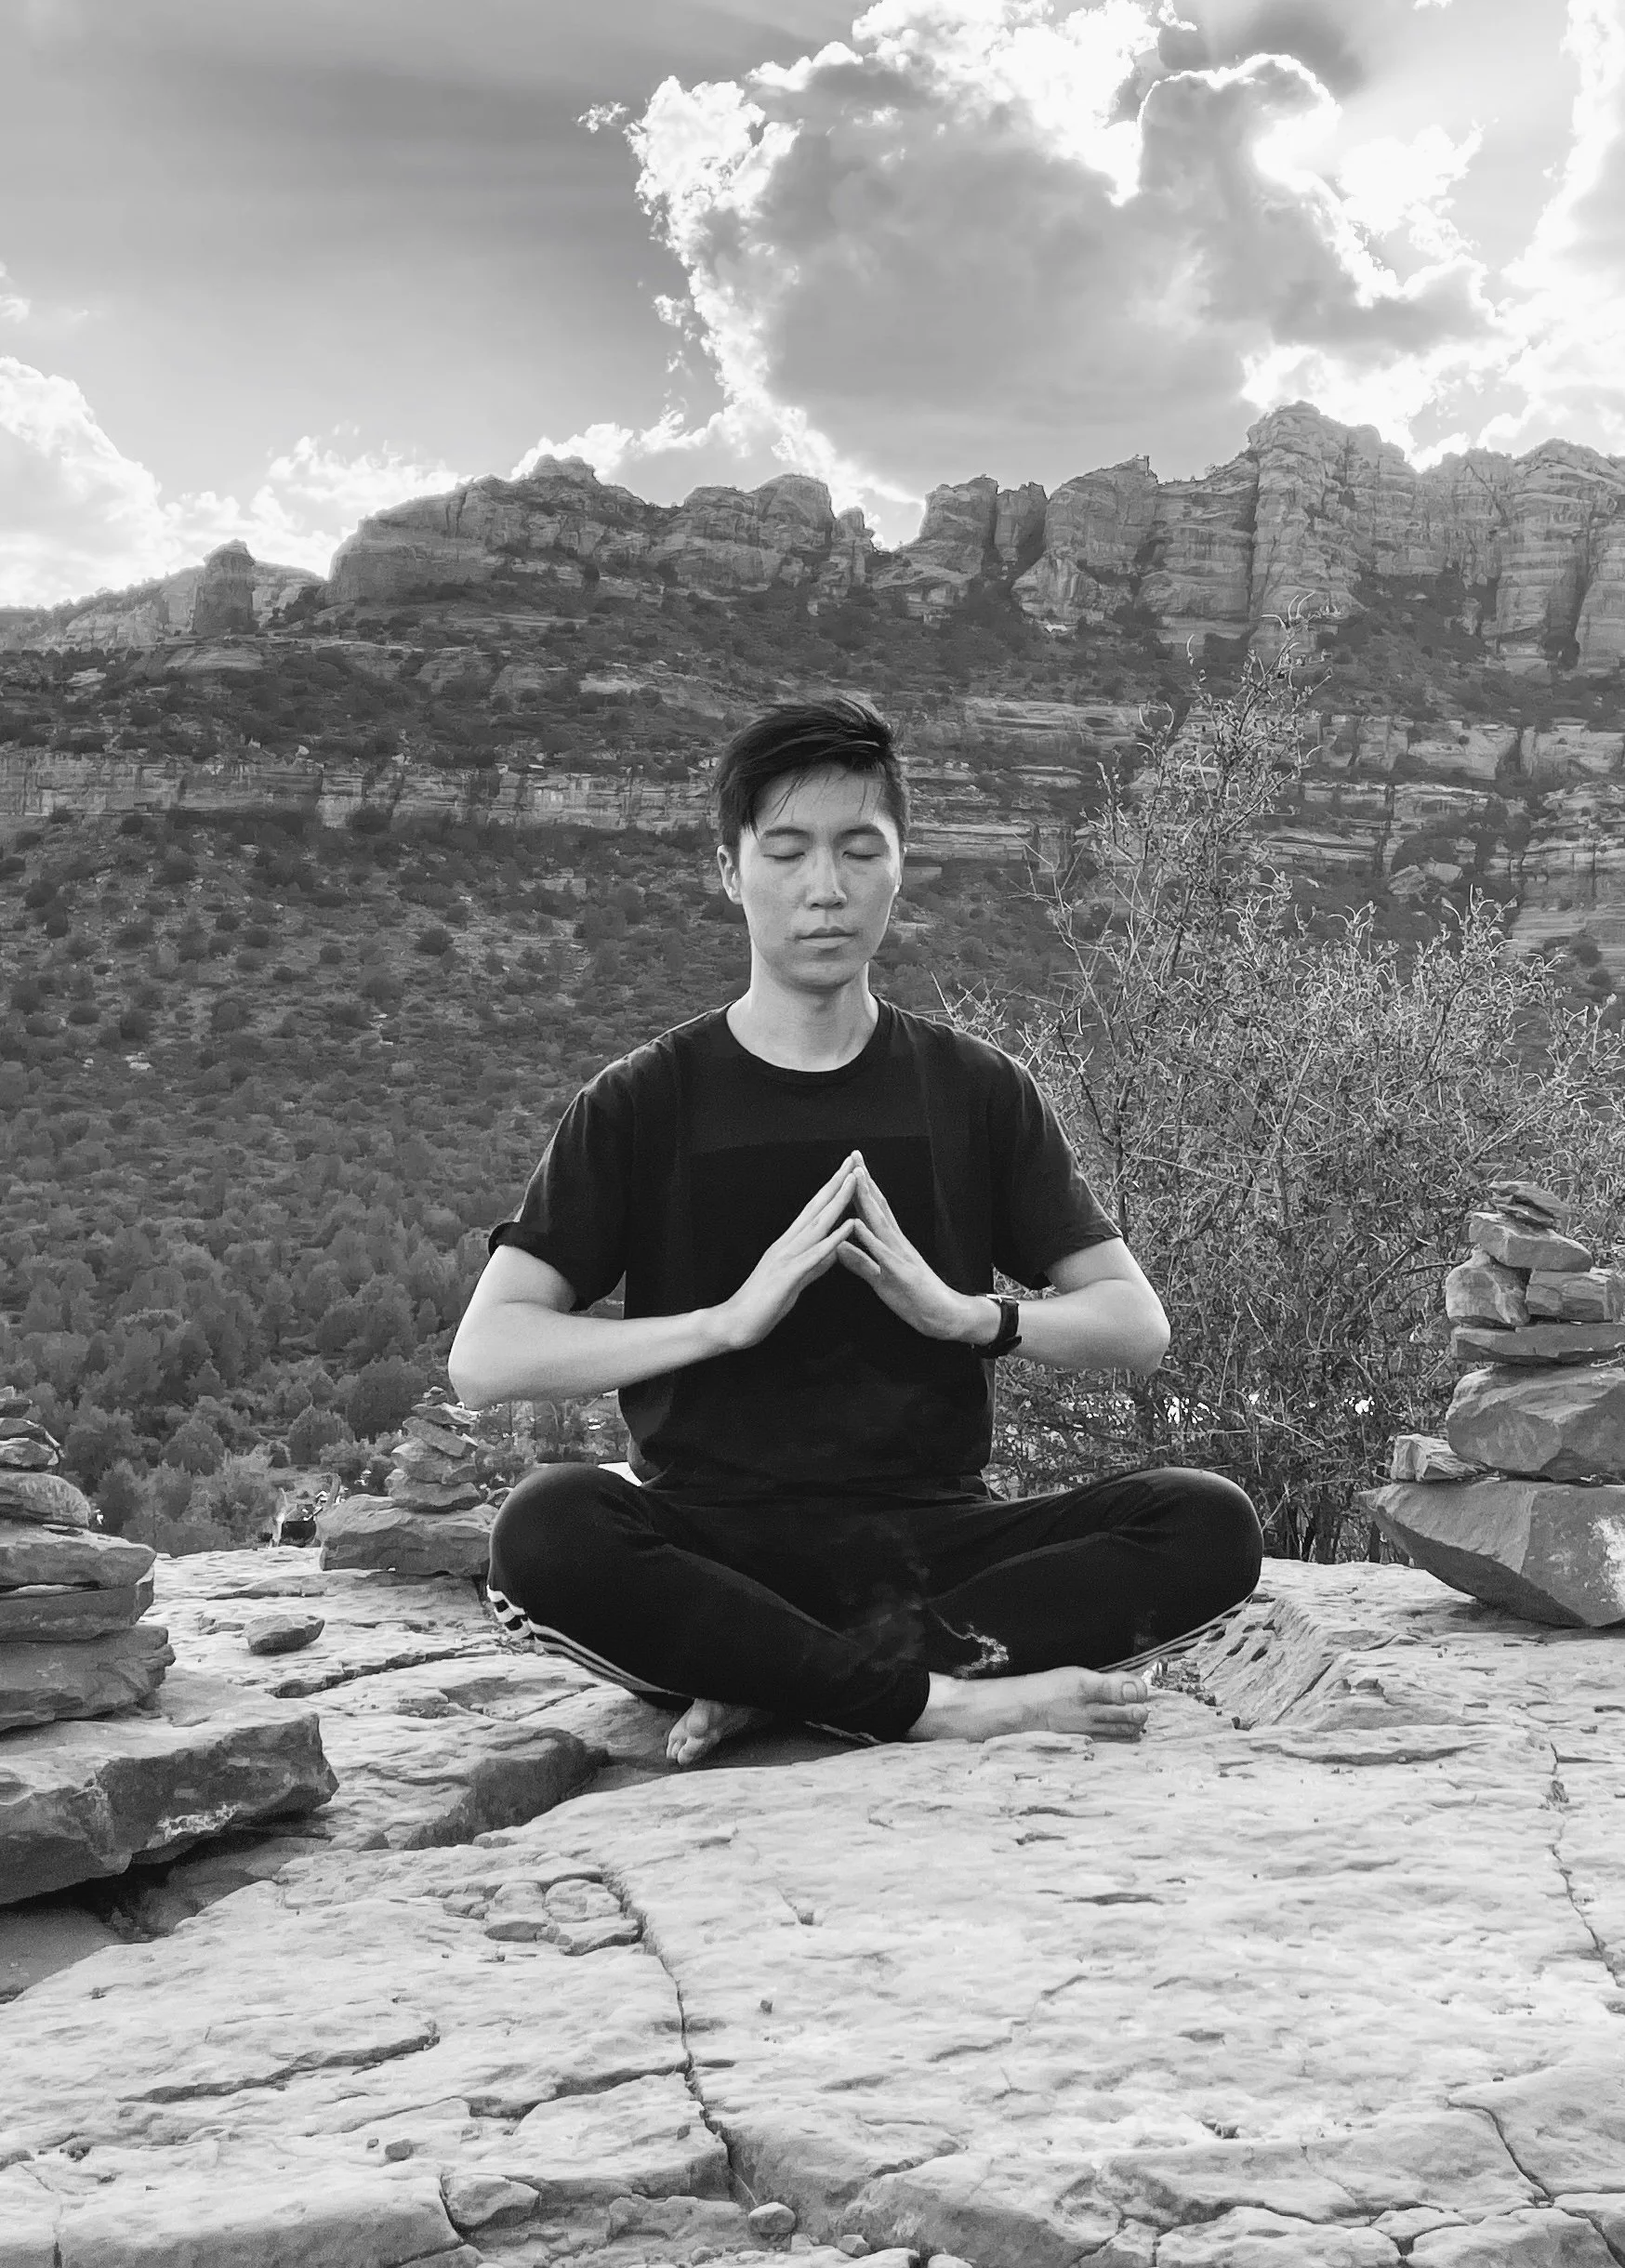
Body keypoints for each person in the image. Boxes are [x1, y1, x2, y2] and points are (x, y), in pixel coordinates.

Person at [449, 697, 1262, 1766]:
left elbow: (1132, 1323)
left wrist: (972, 1316)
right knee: (545, 1530)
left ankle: (780, 1675)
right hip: (710, 1543)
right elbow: (487, 1355)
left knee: (1207, 1522)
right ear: (731, 872)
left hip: (932, 1544)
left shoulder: (973, 1090)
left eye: (855, 850)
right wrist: (722, 1325)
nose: (822, 888)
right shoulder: (644, 1099)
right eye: (784, 852)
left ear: (898, 866)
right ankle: (930, 1695)